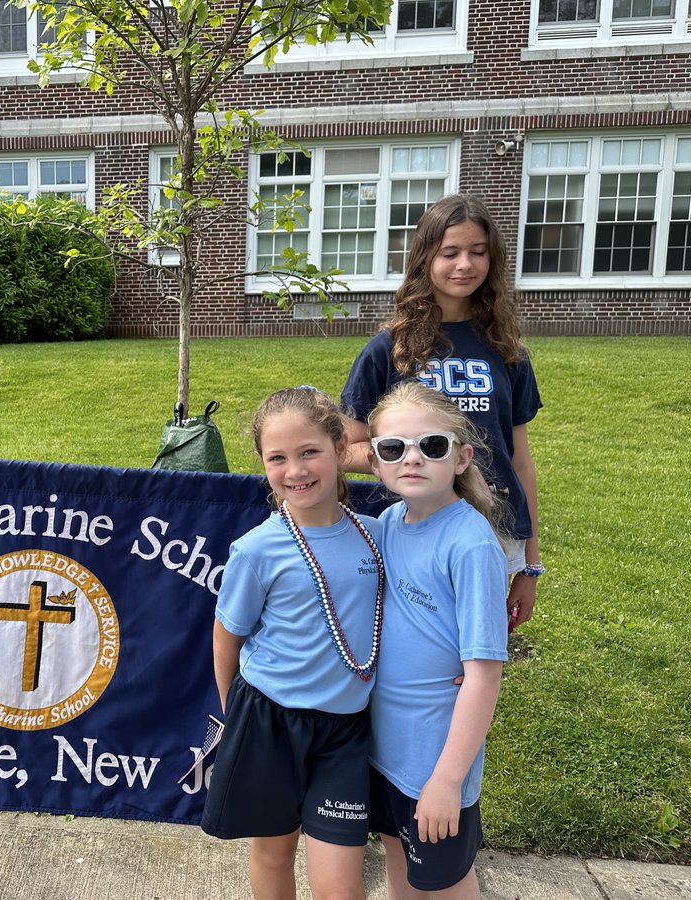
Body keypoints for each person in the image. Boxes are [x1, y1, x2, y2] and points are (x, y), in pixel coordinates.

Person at [201, 386, 385, 900]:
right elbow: (226, 636)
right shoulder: (258, 549)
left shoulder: (377, 535)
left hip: (345, 732)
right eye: (277, 458)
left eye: (310, 452)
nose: (296, 471)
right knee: (274, 854)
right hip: (269, 721)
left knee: (340, 889)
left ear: (338, 448)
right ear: (262, 464)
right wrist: (232, 711)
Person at [340, 193, 543, 633]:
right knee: (412, 641)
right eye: (449, 253)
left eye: (478, 252)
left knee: (475, 650)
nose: (464, 264)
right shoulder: (388, 350)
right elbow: (347, 449)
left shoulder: (508, 352)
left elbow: (520, 460)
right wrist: (411, 459)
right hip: (412, 524)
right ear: (424, 258)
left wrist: (530, 563)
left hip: (492, 525)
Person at [366, 381, 508, 899]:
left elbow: (484, 674)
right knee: (400, 865)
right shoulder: (386, 524)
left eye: (431, 445)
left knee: (445, 884)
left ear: (462, 457)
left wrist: (448, 780)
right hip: (387, 752)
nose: (412, 458)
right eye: (392, 448)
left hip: (436, 760)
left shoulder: (470, 545)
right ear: (376, 464)